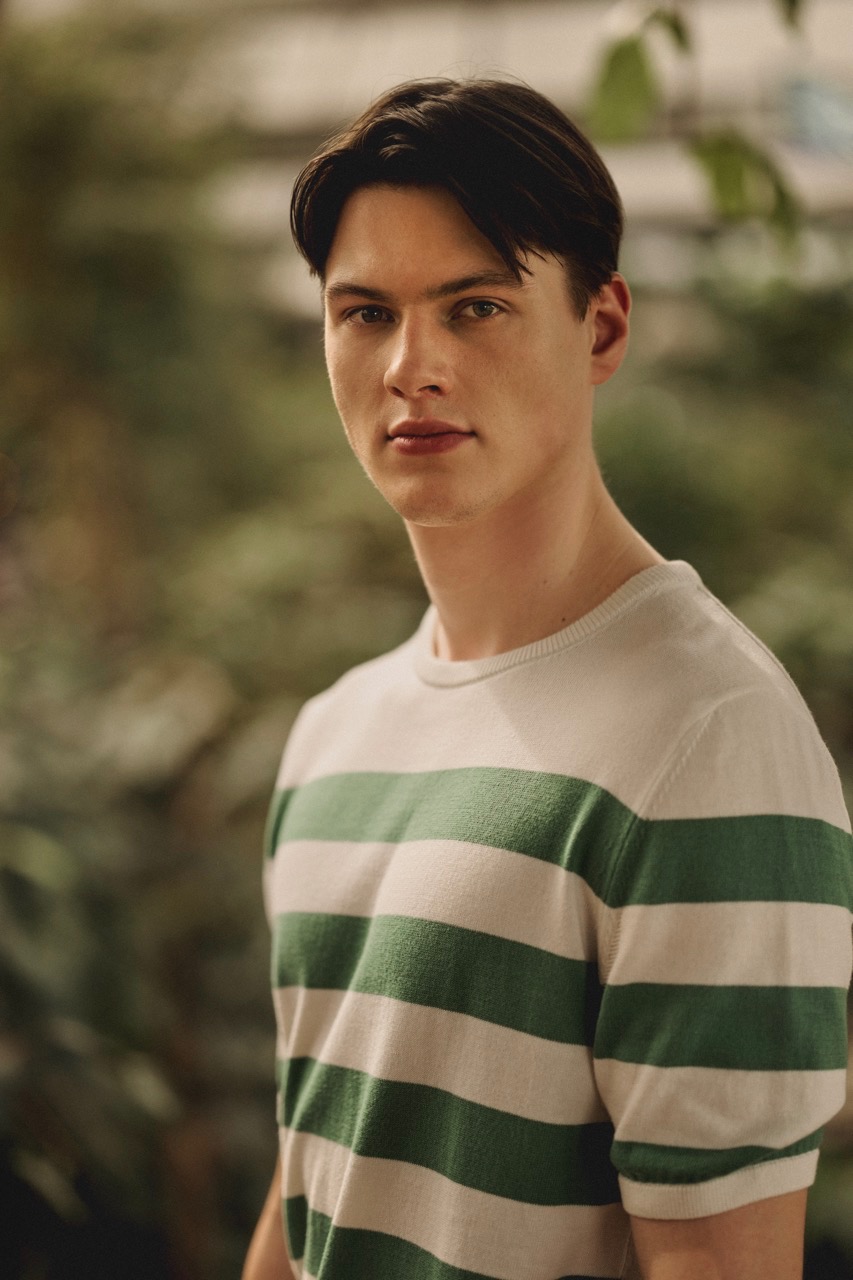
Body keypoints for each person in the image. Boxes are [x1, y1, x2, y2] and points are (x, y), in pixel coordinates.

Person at [243, 78, 853, 1280]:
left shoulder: (706, 735)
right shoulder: (332, 730)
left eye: (474, 307)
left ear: (604, 327)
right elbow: (318, 1168)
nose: (411, 365)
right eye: (364, 312)